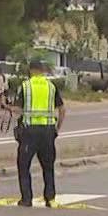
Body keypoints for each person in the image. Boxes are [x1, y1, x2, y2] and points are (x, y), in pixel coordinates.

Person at [14, 60, 65, 207]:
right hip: (48, 131)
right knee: (48, 166)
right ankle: (49, 198)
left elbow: (18, 110)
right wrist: (57, 128)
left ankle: (26, 199)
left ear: (30, 70)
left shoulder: (25, 86)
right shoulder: (51, 86)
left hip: (30, 131)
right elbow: (62, 109)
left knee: (24, 165)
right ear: (42, 70)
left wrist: (9, 108)